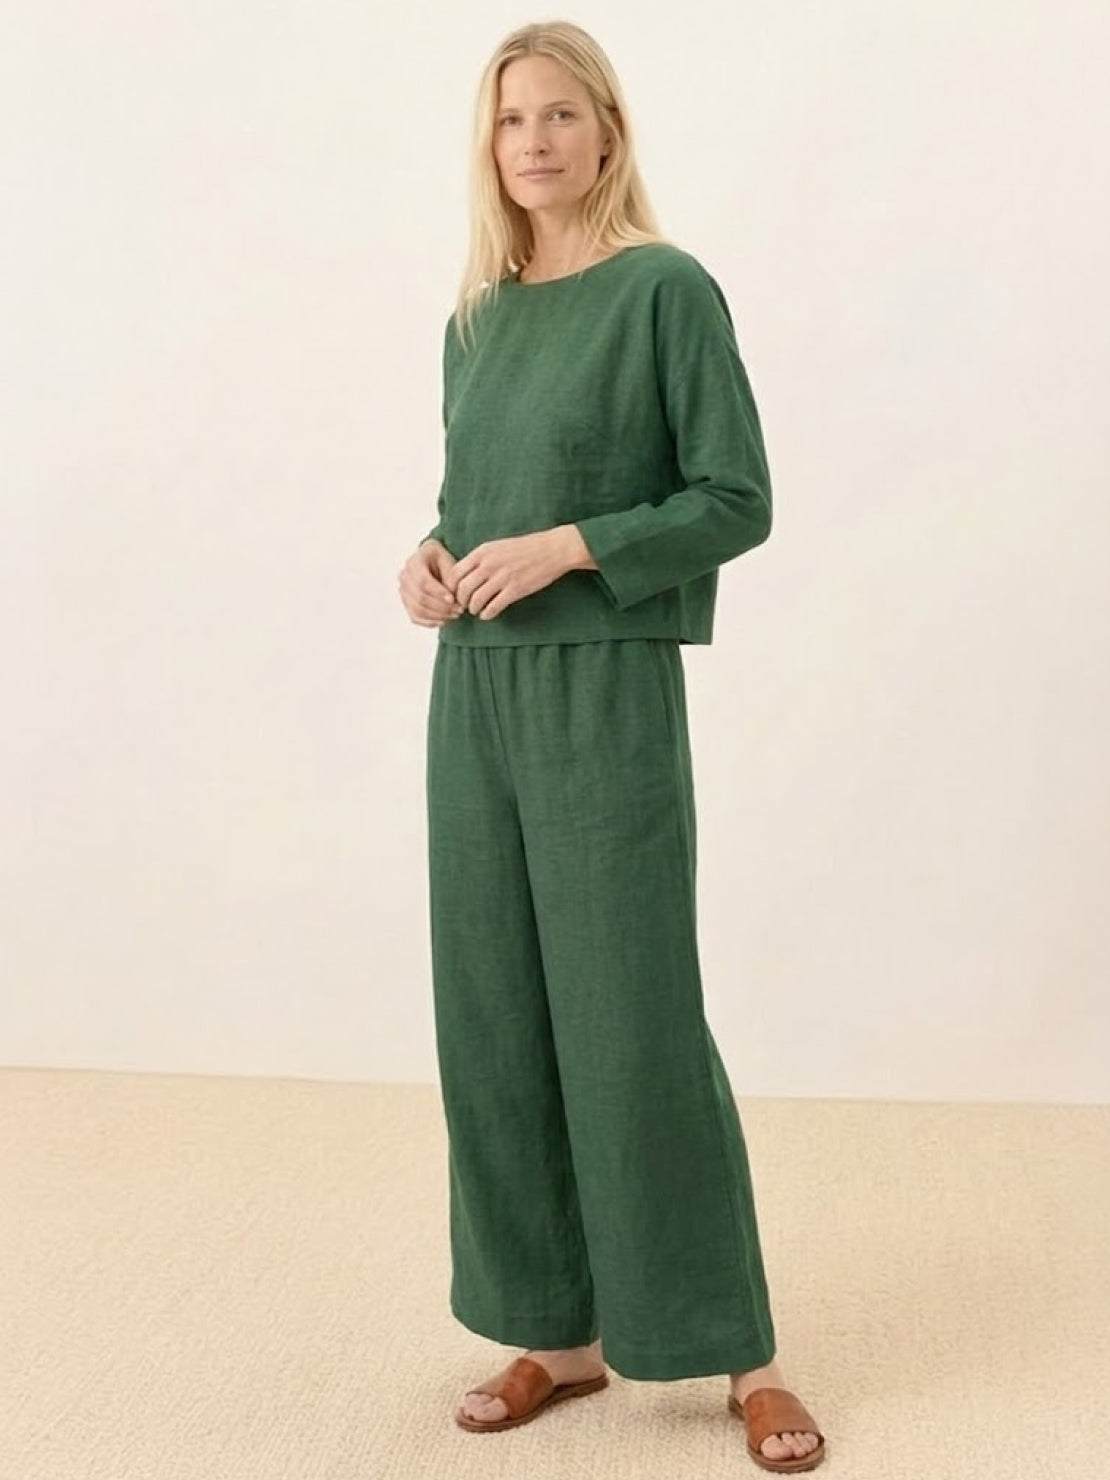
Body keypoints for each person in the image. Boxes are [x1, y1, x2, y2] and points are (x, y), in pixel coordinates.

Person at [398, 21, 826, 1474]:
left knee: (630, 1014)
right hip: (474, 691)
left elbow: (734, 496)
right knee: (497, 1013)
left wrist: (574, 546)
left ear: (606, 132)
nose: (532, 141)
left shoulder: (664, 290)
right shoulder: (477, 317)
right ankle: (555, 1331)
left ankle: (742, 1352)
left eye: (559, 115)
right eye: (510, 118)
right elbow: (477, 497)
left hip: (603, 691)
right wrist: (431, 558)